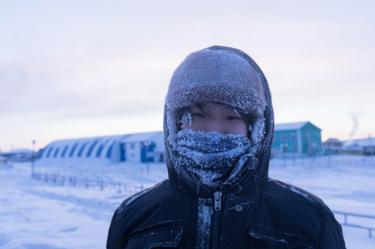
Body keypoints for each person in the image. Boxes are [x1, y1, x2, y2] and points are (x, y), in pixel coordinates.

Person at [107, 46, 346, 249]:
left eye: (231, 117)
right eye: (198, 116)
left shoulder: (309, 219)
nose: (213, 129)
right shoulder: (134, 217)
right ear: (175, 124)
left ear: (256, 128)